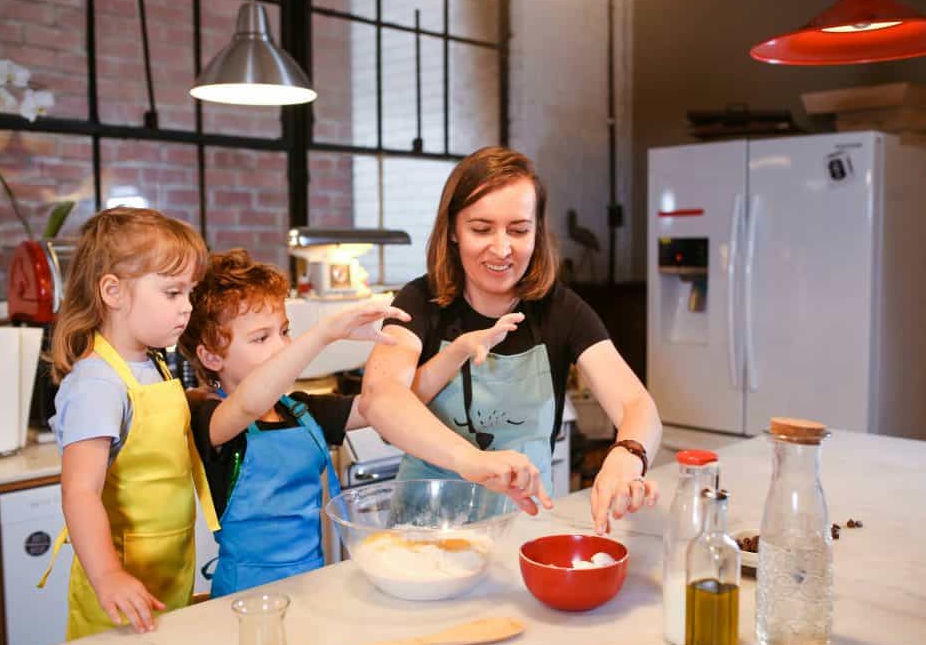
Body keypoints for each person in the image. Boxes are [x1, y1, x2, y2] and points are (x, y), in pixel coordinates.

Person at [361, 146, 663, 532]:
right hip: (424, 532)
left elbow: (637, 404)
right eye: (481, 229)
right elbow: (380, 397)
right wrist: (470, 459)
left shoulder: (560, 310)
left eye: (519, 230)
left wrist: (627, 454)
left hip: (523, 530)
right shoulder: (420, 302)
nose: (502, 248)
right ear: (452, 230)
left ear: (537, 232)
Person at [178, 249, 409, 597]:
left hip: (311, 588)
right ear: (211, 357)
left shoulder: (299, 411)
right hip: (243, 601)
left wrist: (458, 353)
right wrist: (324, 334)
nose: (283, 347)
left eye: (284, 332)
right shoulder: (210, 420)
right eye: (261, 338)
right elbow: (246, 405)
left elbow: (382, 404)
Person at [43, 207, 218, 638]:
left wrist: (191, 399)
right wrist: (107, 577)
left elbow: (142, 419)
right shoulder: (97, 383)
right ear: (113, 291)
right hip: (119, 590)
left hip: (168, 573)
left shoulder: (150, 362)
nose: (187, 308)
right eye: (173, 293)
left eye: (190, 293)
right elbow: (79, 492)